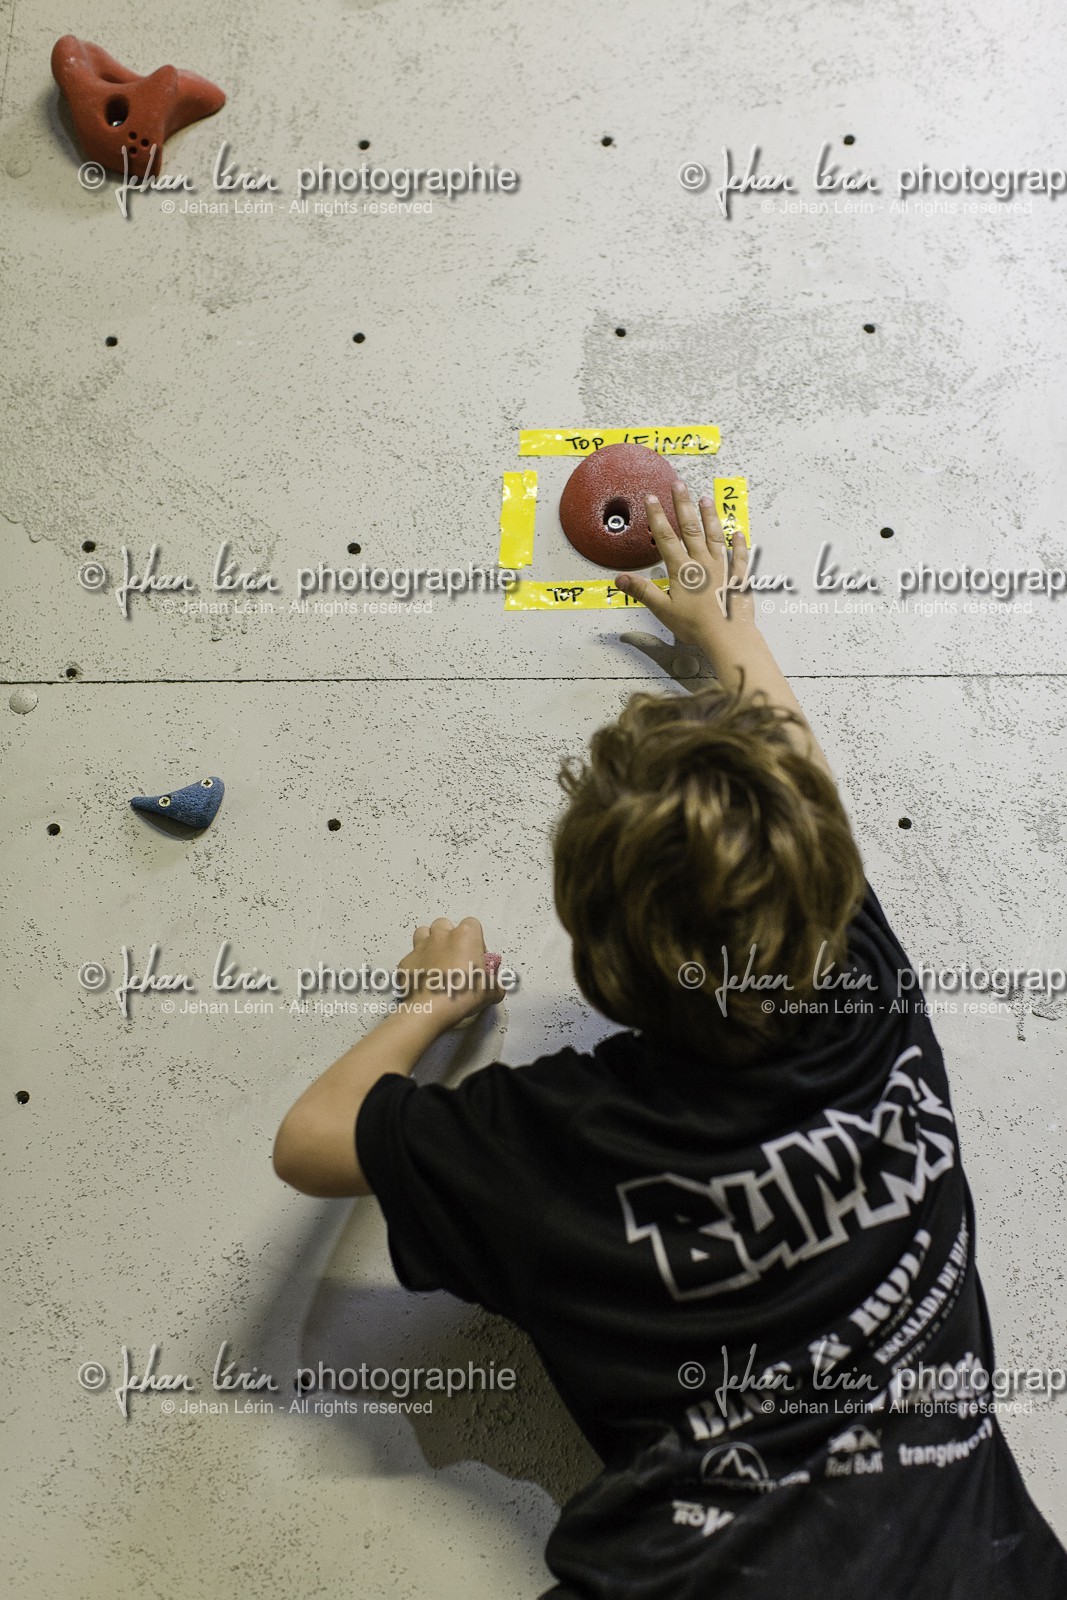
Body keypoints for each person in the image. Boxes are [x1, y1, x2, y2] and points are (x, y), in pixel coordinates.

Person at [273, 481, 1067, 1598]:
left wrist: (430, 1004)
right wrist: (727, 631)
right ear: (819, 886)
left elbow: (311, 1140)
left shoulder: (554, 1139)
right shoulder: (866, 1001)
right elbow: (811, 812)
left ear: (600, 961)